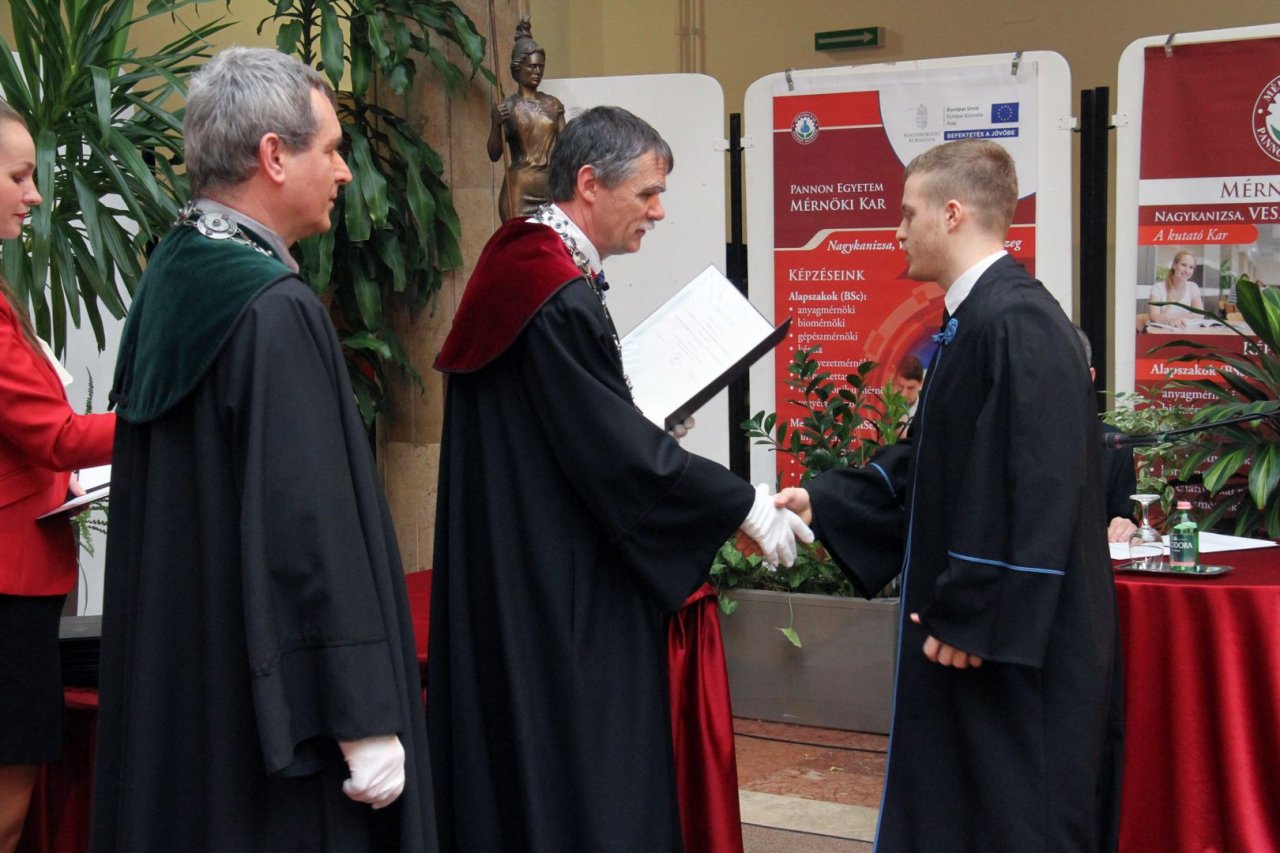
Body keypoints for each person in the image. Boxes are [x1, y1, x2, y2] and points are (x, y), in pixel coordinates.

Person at [430, 105, 810, 852]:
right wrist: (743, 504)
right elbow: (613, 458)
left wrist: (642, 419)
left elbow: (567, 427)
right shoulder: (552, 289)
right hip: (558, 588)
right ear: (589, 184)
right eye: (647, 193)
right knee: (587, 768)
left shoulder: (526, 264)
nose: (658, 211)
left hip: (522, 560)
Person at [91, 47, 434, 852]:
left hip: (193, 690)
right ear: (274, 156)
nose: (343, 172)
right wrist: (361, 717)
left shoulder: (172, 274)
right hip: (275, 738)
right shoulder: (271, 308)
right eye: (332, 149)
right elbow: (305, 523)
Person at [778, 139, 1123, 852]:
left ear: (953, 213)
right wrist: (827, 500)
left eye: (909, 213)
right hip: (974, 645)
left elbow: (1041, 484)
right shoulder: (977, 321)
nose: (898, 230)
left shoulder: (1020, 323)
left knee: (1017, 820)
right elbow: (936, 462)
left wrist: (979, 610)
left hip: (1013, 654)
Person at [0, 100, 115, 853]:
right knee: (9, 796)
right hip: (8, 585)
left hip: (19, 577)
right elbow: (56, 436)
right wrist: (162, 417)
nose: (35, 194)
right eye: (18, 176)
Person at [487, 18, 565, 221]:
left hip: (550, 188)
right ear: (517, 68)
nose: (537, 72)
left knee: (550, 239)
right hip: (519, 190)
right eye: (531, 67)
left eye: (541, 67)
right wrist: (496, 124)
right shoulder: (508, 107)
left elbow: (566, 150)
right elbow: (494, 154)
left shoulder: (553, 105)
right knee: (520, 238)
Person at [1073, 326, 1138, 543]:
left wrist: (1124, 525)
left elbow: (1121, 516)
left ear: (1089, 376)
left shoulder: (1112, 443)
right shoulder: (1005, 440)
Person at [1147, 249, 1204, 327]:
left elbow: (1200, 314)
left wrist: (1171, 317)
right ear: (1174, 265)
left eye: (1191, 267)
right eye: (1184, 265)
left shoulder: (1193, 287)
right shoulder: (1158, 288)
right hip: (1162, 332)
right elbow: (1154, 317)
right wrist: (1187, 316)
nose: (1187, 270)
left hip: (1185, 331)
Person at [889, 353, 923, 436]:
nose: (904, 394)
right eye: (900, 386)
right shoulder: (880, 407)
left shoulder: (927, 411)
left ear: (921, 383)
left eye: (910, 388)